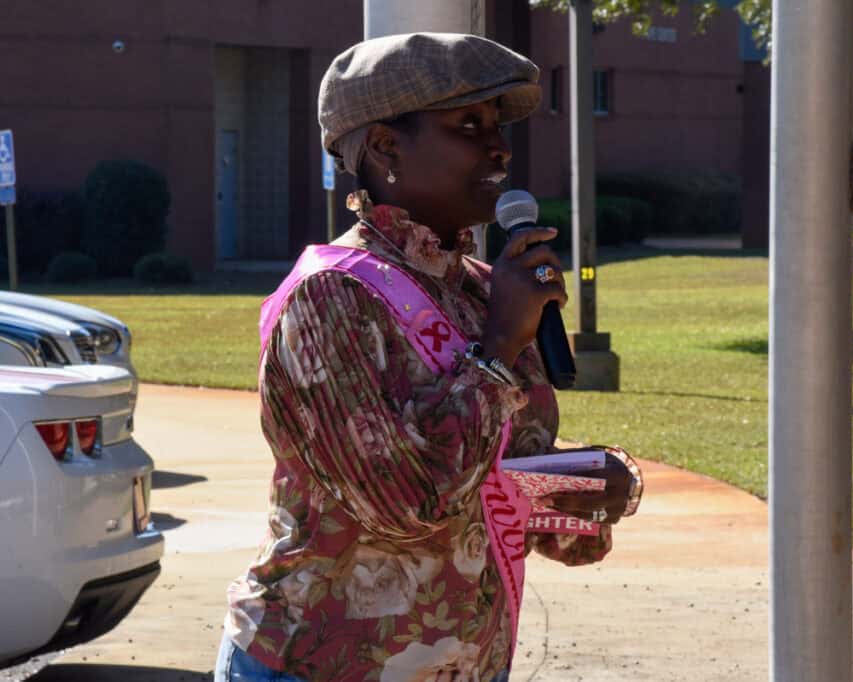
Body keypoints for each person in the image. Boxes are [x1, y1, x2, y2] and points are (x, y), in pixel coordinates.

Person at [217, 32, 642, 682]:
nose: (498, 146)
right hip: (322, 664)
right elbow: (408, 501)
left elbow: (493, 472)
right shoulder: (331, 296)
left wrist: (578, 491)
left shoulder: (479, 287)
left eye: (498, 124)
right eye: (469, 124)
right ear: (386, 148)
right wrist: (500, 345)